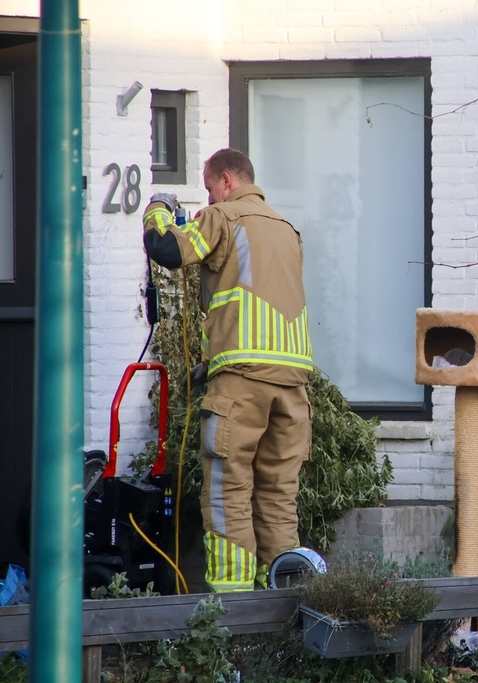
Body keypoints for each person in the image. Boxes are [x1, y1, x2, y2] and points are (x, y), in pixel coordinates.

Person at [142, 148, 313, 592]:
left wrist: (157, 210)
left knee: (228, 491)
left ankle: (232, 615)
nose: (209, 195)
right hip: (293, 385)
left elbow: (168, 249)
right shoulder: (288, 230)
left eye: (209, 186)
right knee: (278, 495)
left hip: (242, 381)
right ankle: (282, 598)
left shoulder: (222, 217)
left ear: (227, 180)